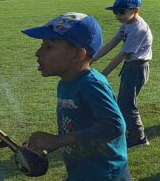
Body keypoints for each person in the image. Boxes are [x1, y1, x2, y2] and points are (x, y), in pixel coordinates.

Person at [22, 12, 130, 181]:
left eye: (49, 47)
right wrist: (49, 144)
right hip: (81, 173)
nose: (38, 53)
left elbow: (114, 125)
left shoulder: (91, 84)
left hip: (104, 175)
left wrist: (58, 140)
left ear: (77, 55)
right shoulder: (65, 83)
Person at [91, 0, 153, 149]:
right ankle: (132, 133)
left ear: (136, 10)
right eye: (116, 12)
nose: (118, 16)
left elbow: (122, 55)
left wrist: (103, 74)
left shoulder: (138, 29)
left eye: (122, 12)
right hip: (130, 66)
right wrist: (92, 59)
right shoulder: (126, 24)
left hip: (137, 68)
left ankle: (139, 137)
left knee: (127, 104)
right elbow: (112, 43)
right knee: (124, 102)